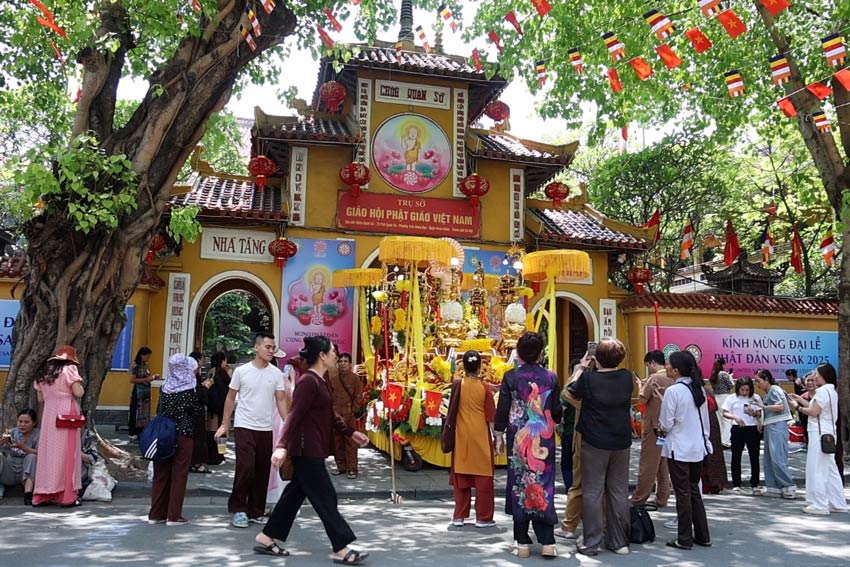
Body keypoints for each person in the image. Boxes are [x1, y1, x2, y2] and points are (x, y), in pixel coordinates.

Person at [254, 336, 371, 562]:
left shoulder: (321, 380)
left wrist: (350, 432)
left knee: (293, 496)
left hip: (313, 448)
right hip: (306, 450)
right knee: (326, 497)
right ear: (322, 356)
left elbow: (329, 414)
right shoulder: (308, 382)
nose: (337, 355)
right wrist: (281, 447)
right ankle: (341, 547)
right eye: (333, 352)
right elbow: (294, 416)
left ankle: (266, 537)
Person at [494, 332, 562, 559]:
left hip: (518, 440)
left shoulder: (511, 377)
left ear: (518, 353)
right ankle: (548, 542)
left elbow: (503, 409)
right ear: (541, 352)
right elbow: (557, 412)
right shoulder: (551, 377)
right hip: (544, 439)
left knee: (519, 485)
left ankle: (522, 542)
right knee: (544, 484)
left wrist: (498, 434)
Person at [567, 338, 633, 557]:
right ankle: (618, 541)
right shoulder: (627, 377)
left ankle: (591, 541)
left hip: (594, 441)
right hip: (621, 441)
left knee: (593, 491)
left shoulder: (588, 379)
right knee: (618, 491)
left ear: (596, 358)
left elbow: (569, 392)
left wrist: (580, 369)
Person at [215, 333, 288, 528]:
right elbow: (230, 397)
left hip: (266, 428)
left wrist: (288, 423)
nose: (271, 350)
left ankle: (256, 510)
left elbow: (281, 400)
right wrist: (224, 423)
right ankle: (239, 509)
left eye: (273, 347)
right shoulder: (242, 371)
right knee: (246, 467)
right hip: (244, 425)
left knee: (263, 469)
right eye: (267, 347)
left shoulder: (276, 374)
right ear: (256, 348)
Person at [659, 351, 712, 550]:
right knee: (693, 491)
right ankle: (702, 535)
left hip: (679, 448)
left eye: (668, 363)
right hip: (697, 447)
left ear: (676, 369)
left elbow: (666, 424)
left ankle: (684, 538)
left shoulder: (674, 392)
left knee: (682, 493)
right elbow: (705, 423)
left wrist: (661, 428)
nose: (666, 366)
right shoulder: (698, 390)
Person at [148, 353, 204, 526]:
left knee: (160, 474)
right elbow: (196, 412)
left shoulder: (165, 388)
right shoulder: (189, 389)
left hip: (163, 436)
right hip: (183, 435)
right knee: (179, 475)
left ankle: (156, 514)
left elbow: (159, 410)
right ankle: (173, 515)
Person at [789, 363, 848, 515]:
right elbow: (817, 408)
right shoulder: (831, 391)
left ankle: (820, 504)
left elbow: (814, 411)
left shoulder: (822, 391)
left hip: (818, 432)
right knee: (830, 469)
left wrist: (797, 407)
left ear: (823, 375)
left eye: (817, 373)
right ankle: (838, 502)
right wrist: (800, 400)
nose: (814, 376)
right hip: (829, 432)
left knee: (817, 468)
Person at [448, 350, 497, 528]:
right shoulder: (485, 387)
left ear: (463, 366)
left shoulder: (457, 384)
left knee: (461, 476)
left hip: (462, 436)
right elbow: (491, 417)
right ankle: (483, 517)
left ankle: (459, 516)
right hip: (480, 436)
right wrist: (498, 438)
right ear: (479, 367)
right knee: (483, 477)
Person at [32, 345, 85, 507]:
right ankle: (66, 496)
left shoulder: (43, 374)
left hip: (49, 415)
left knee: (48, 454)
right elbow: (78, 392)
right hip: (67, 415)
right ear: (70, 360)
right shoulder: (70, 370)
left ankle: (41, 494)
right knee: (69, 454)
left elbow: (40, 399)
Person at [631, 350, 674, 508]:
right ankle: (662, 496)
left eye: (648, 365)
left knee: (648, 463)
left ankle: (639, 498)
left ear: (653, 363)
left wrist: (640, 385)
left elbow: (643, 399)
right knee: (662, 463)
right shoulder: (672, 378)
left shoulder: (654, 378)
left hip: (653, 426)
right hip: (666, 428)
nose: (648, 368)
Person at [752, 369, 796, 499]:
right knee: (769, 459)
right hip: (771, 425)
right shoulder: (769, 392)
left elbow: (780, 407)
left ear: (766, 379)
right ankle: (773, 486)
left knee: (777, 457)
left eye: (758, 381)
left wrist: (763, 406)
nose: (757, 384)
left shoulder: (775, 389)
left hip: (777, 426)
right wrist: (759, 417)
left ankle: (789, 486)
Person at [721, 376, 762, 495]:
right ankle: (736, 483)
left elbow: (759, 413)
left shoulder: (755, 398)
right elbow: (725, 412)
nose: (744, 392)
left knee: (754, 456)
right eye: (742, 390)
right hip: (738, 428)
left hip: (752, 428)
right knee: (736, 456)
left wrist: (755, 414)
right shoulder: (731, 398)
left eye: (747, 390)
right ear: (738, 388)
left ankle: (755, 483)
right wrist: (735, 417)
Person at [331, 352, 365, 479]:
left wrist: (352, 411)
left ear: (350, 364)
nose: (343, 363)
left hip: (349, 415)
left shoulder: (355, 379)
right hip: (336, 416)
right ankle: (341, 467)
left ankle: (352, 469)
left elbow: (359, 397)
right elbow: (330, 397)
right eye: (340, 361)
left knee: (351, 443)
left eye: (345, 361)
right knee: (337, 442)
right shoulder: (333, 380)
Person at [0, 409, 39, 505]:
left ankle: (28, 494)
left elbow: (41, 453)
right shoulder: (11, 432)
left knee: (31, 457)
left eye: (26, 422)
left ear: (34, 423)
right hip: (10, 470)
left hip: (26, 471)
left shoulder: (38, 434)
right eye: (20, 421)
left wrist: (23, 447)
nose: (22, 425)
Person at [205, 351, 231, 465]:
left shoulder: (211, 371)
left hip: (211, 406)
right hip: (221, 406)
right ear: (222, 361)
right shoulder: (222, 371)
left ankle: (211, 455)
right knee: (221, 432)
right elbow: (231, 385)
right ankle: (219, 456)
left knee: (211, 431)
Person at [700, 391, 728, 494]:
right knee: (712, 454)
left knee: (707, 455)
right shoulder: (707, 392)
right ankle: (715, 483)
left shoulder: (696, 392)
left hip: (705, 423)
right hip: (712, 423)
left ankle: (708, 484)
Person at [188, 351, 211, 474]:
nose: (203, 363)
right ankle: (196, 463)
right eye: (201, 360)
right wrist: (206, 387)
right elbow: (198, 396)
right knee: (197, 439)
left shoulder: (189, 376)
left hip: (191, 413)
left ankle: (193, 462)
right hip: (195, 413)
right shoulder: (192, 376)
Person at [129, 347, 158, 439]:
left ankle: (141, 431)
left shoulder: (145, 365)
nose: (148, 358)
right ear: (142, 355)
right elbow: (132, 380)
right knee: (137, 411)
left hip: (146, 392)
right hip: (138, 392)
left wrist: (152, 377)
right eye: (147, 356)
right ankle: (132, 431)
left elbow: (146, 376)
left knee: (144, 412)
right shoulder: (135, 365)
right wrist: (145, 379)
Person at [708, 357, 734, 448]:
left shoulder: (713, 374)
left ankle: (720, 440)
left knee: (719, 420)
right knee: (727, 420)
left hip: (716, 397)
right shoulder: (723, 374)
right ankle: (726, 441)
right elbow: (731, 385)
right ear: (723, 364)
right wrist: (730, 377)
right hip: (724, 397)